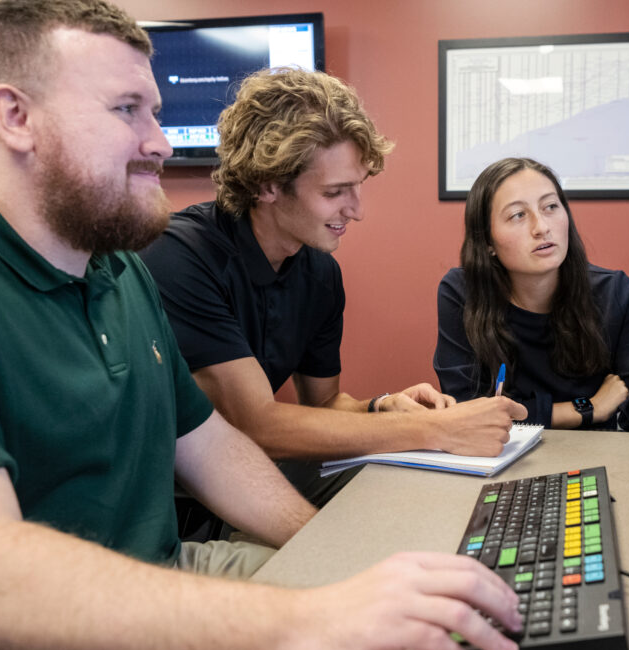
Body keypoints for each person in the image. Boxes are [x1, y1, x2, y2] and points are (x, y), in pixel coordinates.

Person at [0, 1, 522, 650]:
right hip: (1, 647)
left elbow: (213, 448)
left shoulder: (119, 269)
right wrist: (309, 619)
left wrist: (342, 560)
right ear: (15, 117)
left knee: (411, 640)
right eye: (126, 110)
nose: (162, 143)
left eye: (156, 113)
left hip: (163, 566)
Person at [140, 68, 526, 506]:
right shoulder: (179, 254)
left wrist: (381, 406)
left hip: (259, 468)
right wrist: (436, 430)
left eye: (357, 188)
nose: (356, 211)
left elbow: (323, 405)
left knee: (420, 492)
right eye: (335, 192)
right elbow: (256, 424)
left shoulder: (319, 271)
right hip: (177, 496)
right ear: (268, 183)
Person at [434, 157, 629, 432]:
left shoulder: (616, 293)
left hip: (596, 461)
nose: (542, 227)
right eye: (518, 215)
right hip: (501, 458)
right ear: (487, 242)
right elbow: (466, 411)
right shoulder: (462, 293)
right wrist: (587, 408)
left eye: (551, 207)